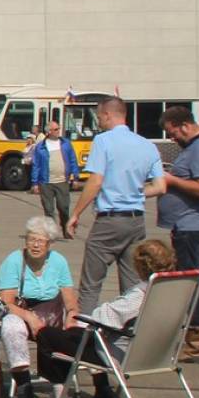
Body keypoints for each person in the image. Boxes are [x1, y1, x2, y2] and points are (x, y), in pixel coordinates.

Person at [32, 239, 175, 398]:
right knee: (73, 334)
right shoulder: (172, 292)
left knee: (47, 335)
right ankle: (102, 391)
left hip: (121, 355)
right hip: (157, 354)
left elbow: (103, 317)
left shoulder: (139, 296)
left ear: (140, 266)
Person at [65, 96, 165, 316]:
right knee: (132, 285)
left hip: (109, 220)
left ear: (107, 114)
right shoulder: (147, 145)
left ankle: (84, 330)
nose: (99, 121)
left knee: (91, 284)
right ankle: (128, 329)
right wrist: (134, 192)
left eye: (99, 117)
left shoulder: (103, 141)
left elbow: (95, 181)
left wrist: (75, 213)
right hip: (136, 221)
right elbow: (160, 186)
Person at [0, 217, 77, 398]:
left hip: (53, 315)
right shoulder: (14, 261)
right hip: (21, 313)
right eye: (31, 239)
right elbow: (6, 302)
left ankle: (101, 387)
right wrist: (29, 317)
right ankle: (24, 384)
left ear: (50, 243)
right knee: (11, 326)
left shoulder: (59, 261)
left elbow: (70, 299)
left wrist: (72, 315)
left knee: (85, 326)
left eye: (40, 241)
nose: (35, 245)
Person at [158, 105, 199, 360]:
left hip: (195, 228)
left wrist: (171, 180)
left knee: (194, 286)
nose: (172, 139)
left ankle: (197, 344)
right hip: (195, 226)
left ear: (185, 125)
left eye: (172, 133)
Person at [28, 117, 79, 234]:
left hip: (62, 181)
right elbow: (36, 165)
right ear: (49, 132)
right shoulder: (40, 147)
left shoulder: (66, 144)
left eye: (58, 128)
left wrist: (75, 177)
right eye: (55, 129)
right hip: (46, 183)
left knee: (64, 207)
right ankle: (51, 233)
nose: (58, 131)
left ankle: (66, 228)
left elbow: (72, 160)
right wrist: (34, 183)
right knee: (49, 210)